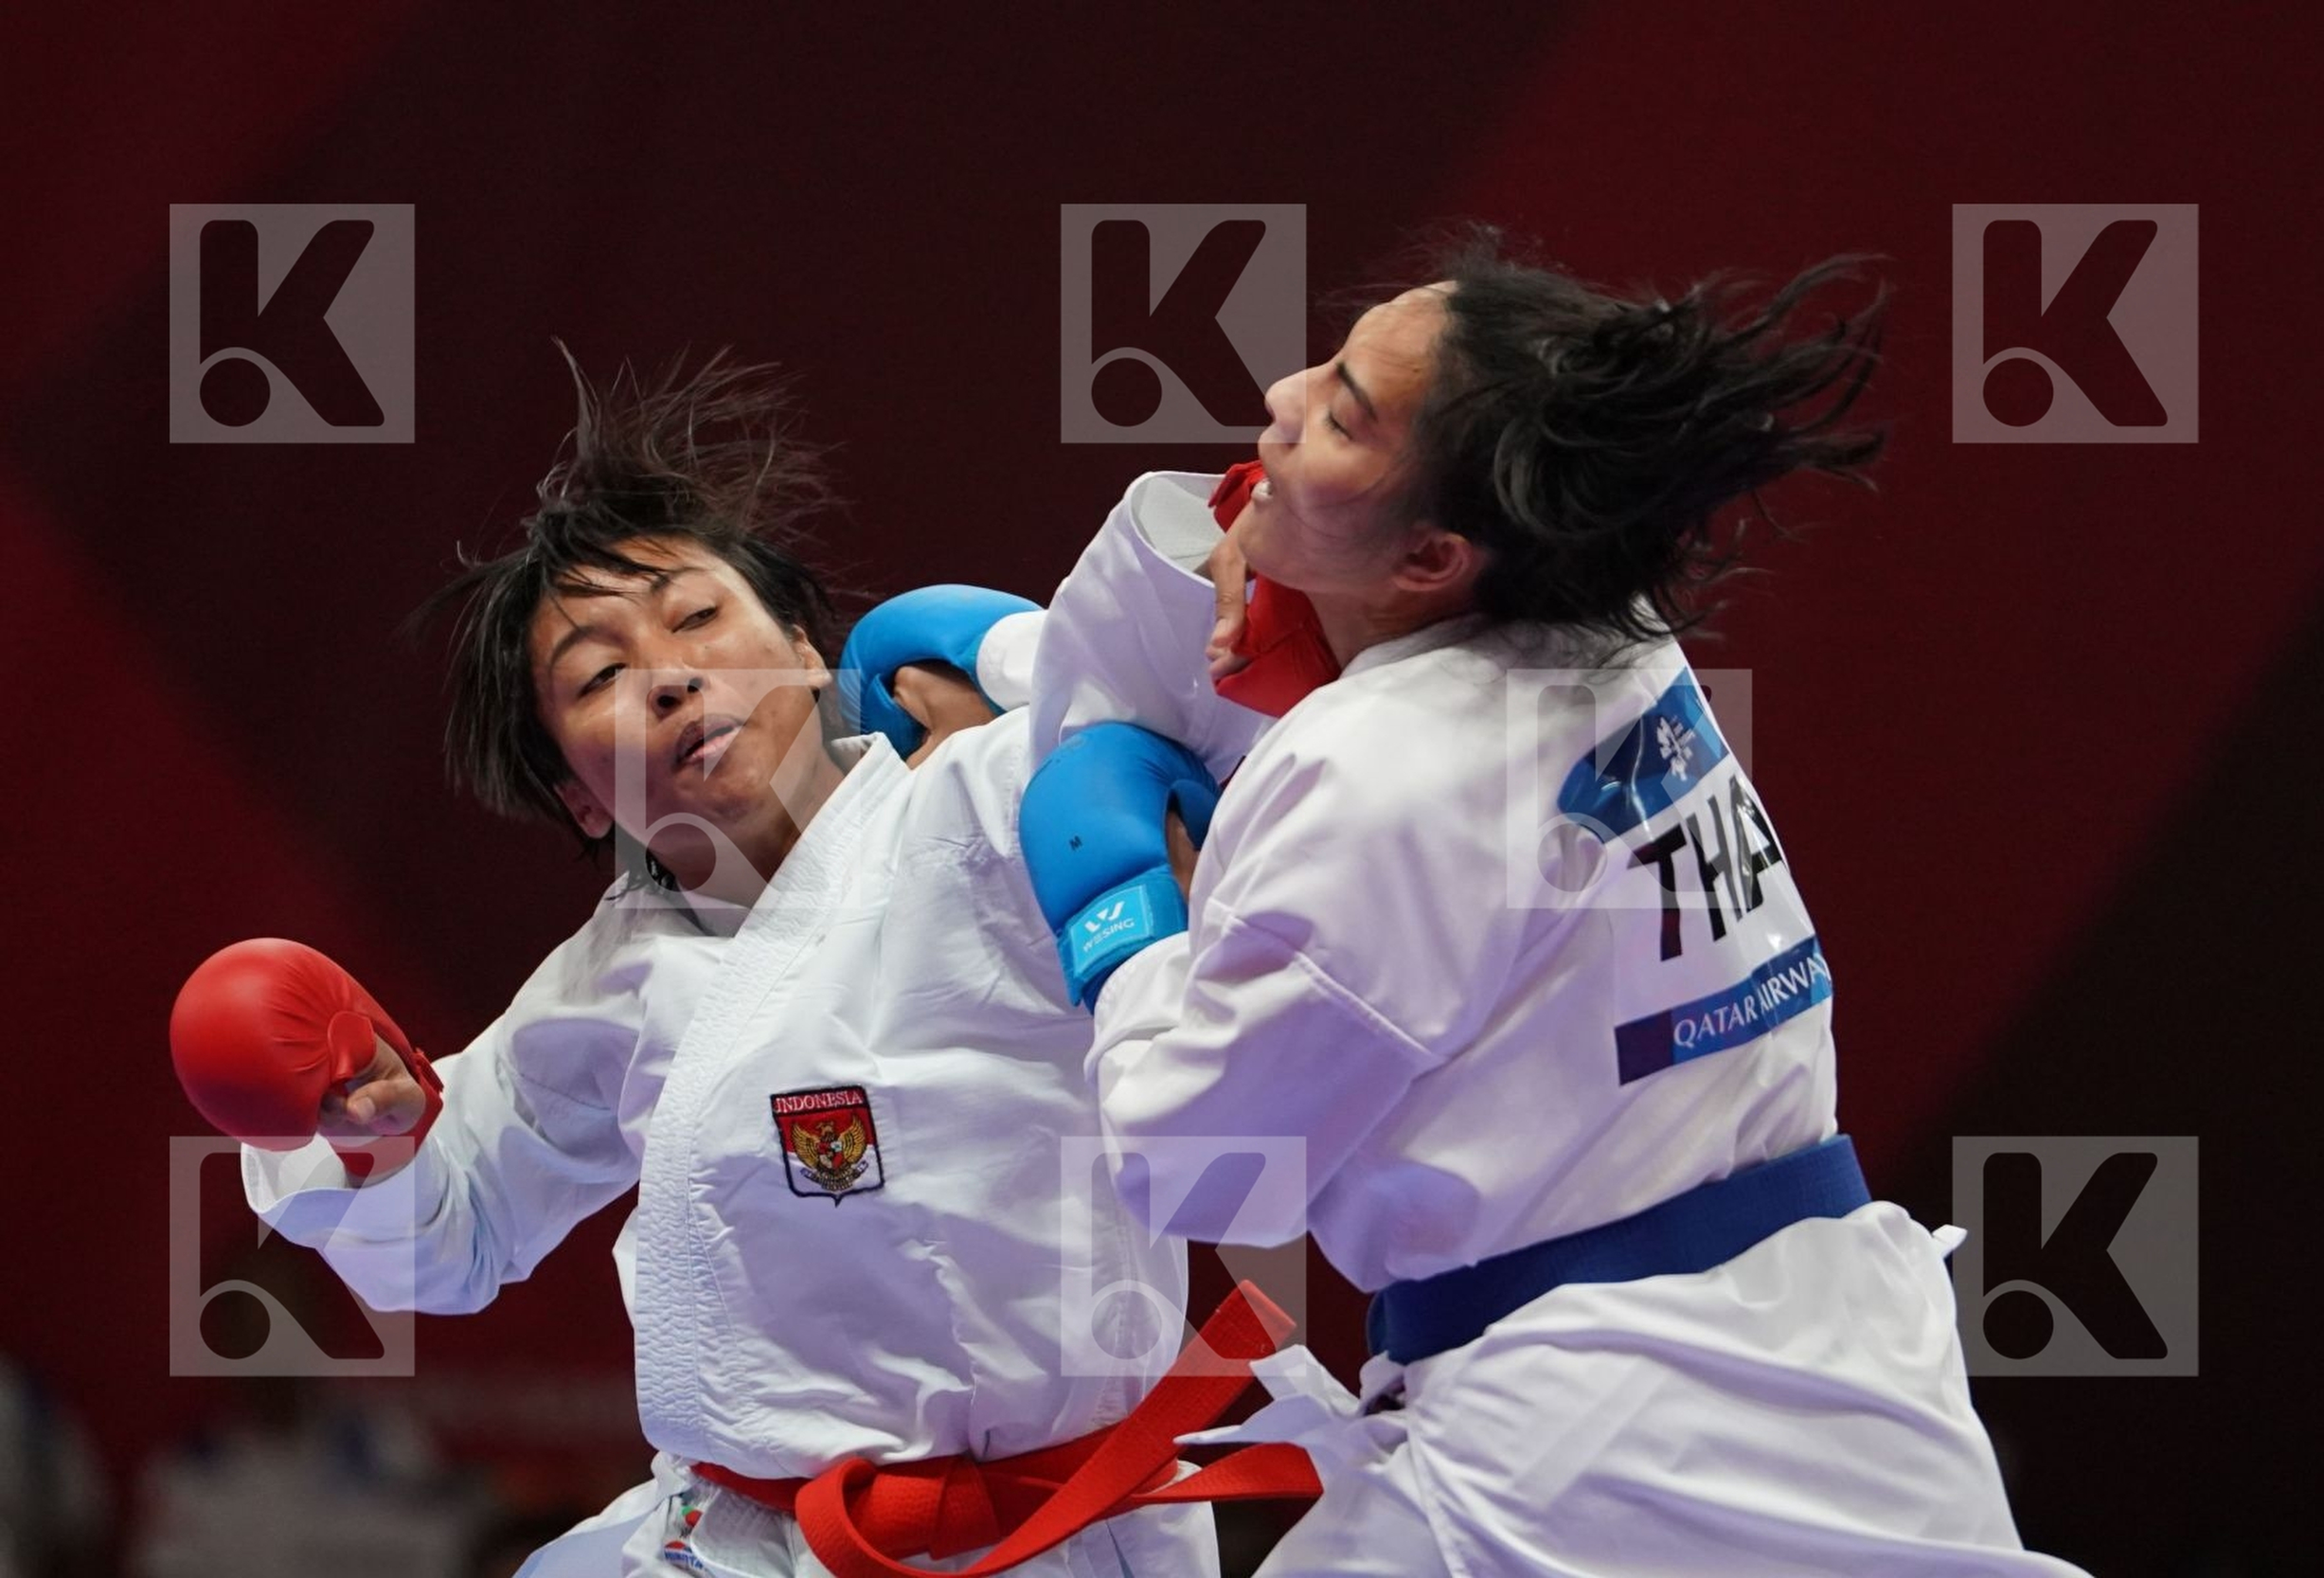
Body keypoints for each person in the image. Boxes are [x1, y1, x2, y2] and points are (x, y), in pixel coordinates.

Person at [1016, 231, 2094, 1575]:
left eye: (1341, 414)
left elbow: (1206, 1165)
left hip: (1587, 1436)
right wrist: (1279, 518)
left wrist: (1123, 924)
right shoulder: (1615, 627)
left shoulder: (1376, 770)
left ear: (1433, 555)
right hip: (1838, 1361)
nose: (1281, 398)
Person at [168, 351, 1289, 1578]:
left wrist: (1021, 654)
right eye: (600, 676)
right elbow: (456, 1231)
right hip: (739, 1540)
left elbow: (1202, 681)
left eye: (698, 617)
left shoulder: (986, 796)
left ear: (805, 646)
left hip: (1052, 1539)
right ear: (576, 795)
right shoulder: (616, 975)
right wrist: (375, 1136)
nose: (671, 676)